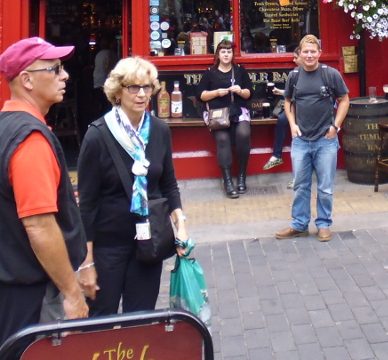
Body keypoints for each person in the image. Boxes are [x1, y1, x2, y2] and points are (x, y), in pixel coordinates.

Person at [0, 37, 91, 360]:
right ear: (26, 80)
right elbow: (39, 226)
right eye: (55, 69)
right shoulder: (30, 140)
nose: (65, 75)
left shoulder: (3, 125)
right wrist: (72, 293)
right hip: (27, 295)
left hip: (2, 286)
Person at [76, 56, 189, 315]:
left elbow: (168, 184)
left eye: (147, 87)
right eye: (133, 87)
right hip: (108, 247)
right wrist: (86, 262)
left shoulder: (159, 130)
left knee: (140, 320)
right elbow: (87, 205)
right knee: (101, 321)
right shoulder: (97, 135)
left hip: (148, 242)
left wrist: (181, 227)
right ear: (117, 92)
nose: (141, 94)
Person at [275, 35, 350, 242]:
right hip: (301, 140)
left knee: (325, 187)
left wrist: (336, 127)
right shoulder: (294, 76)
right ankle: (299, 224)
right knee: (300, 186)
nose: (309, 55)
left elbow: (344, 100)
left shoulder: (330, 74)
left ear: (319, 53)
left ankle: (323, 224)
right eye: (305, 52)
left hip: (325, 140)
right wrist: (292, 124)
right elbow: (288, 101)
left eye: (313, 52)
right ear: (299, 54)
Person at [197, 38, 253, 198]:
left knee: (244, 134)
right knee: (223, 139)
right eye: (223, 51)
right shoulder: (210, 72)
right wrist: (216, 93)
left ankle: (241, 176)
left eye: (229, 51)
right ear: (218, 55)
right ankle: (227, 181)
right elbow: (200, 95)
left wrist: (240, 91)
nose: (226, 54)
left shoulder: (240, 70)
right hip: (217, 113)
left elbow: (249, 94)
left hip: (238, 110)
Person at [263, 48, 300, 173]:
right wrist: (280, 92)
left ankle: (298, 174)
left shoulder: (306, 73)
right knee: (282, 120)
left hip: (307, 109)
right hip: (295, 106)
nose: (294, 60)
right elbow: (293, 93)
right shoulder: (295, 73)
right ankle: (277, 155)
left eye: (296, 57)